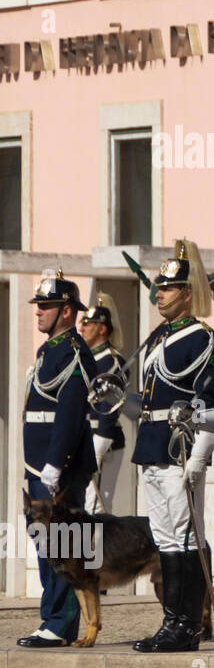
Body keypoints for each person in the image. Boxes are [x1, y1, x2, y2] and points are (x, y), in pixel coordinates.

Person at [128, 241, 214, 653]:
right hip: (151, 443)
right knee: (165, 538)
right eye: (159, 287)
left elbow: (210, 403)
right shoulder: (156, 337)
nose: (159, 294)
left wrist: (200, 456)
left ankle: (188, 623)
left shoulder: (204, 339)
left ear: (188, 293)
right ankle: (173, 620)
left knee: (185, 536)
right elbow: (148, 401)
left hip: (179, 448)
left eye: (168, 288)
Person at [18, 270, 95, 648]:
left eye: (46, 306)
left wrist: (54, 466)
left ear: (67, 312)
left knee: (63, 546)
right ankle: (52, 618)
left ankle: (61, 624)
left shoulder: (74, 352)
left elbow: (69, 413)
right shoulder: (49, 351)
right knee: (47, 545)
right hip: (40, 465)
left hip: (56, 469)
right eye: (39, 306)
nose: (39, 312)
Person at [79, 292, 126, 516]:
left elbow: (109, 411)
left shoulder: (112, 362)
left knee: (96, 507)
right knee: (81, 506)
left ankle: (99, 552)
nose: (83, 328)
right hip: (84, 439)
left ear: (102, 329)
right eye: (83, 324)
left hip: (103, 441)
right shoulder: (85, 359)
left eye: (89, 325)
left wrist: (96, 452)